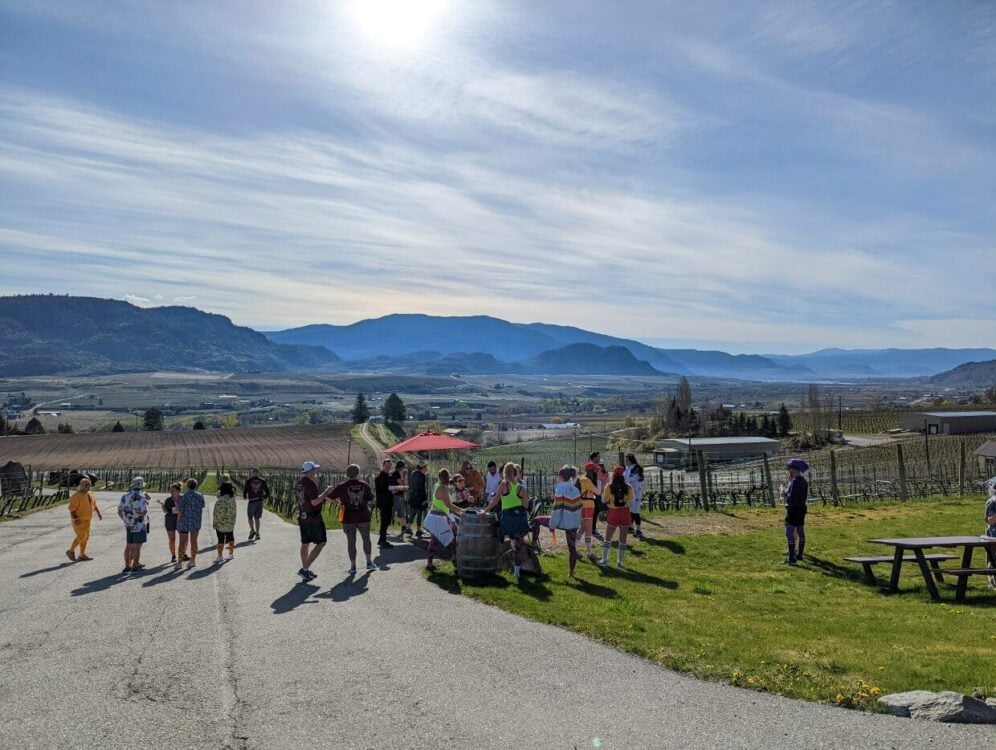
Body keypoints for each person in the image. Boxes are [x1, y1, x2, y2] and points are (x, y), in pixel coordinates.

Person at [483, 463, 531, 583]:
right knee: (519, 545)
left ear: (504, 473)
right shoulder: (522, 488)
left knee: (512, 541)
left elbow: (494, 501)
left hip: (507, 519)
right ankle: (517, 569)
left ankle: (510, 563)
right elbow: (526, 506)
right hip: (519, 518)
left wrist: (484, 511)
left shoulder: (503, 484)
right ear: (516, 473)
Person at [327, 464, 377, 575]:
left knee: (351, 542)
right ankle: (369, 562)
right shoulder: (364, 485)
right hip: (363, 517)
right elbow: (370, 498)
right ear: (358, 473)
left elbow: (329, 497)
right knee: (366, 539)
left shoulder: (342, 486)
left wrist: (339, 504)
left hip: (348, 518)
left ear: (347, 474)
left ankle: (353, 567)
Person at [296, 460, 332, 580]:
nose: (316, 471)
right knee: (321, 542)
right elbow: (314, 501)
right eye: (314, 469)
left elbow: (309, 498)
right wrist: (327, 491)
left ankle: (305, 570)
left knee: (305, 543)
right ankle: (305, 568)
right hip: (313, 517)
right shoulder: (310, 484)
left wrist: (328, 498)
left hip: (303, 516)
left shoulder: (299, 483)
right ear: (310, 471)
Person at [423, 468, 465, 571]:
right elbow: (448, 505)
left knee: (436, 539)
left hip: (436, 516)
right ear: (446, 477)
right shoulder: (442, 488)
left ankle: (431, 563)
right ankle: (453, 558)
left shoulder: (438, 485)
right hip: (438, 517)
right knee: (451, 537)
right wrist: (461, 510)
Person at [547, 466, 583, 578]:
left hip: (565, 522)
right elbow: (579, 507)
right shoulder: (575, 489)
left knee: (537, 521)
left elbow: (557, 510)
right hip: (574, 522)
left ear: (561, 476)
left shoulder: (560, 489)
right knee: (572, 548)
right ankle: (571, 572)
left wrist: (552, 525)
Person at [599, 467, 633, 569]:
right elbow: (631, 502)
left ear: (613, 475)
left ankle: (604, 560)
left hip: (613, 512)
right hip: (625, 512)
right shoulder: (628, 487)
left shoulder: (608, 487)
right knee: (623, 539)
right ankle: (620, 562)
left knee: (608, 538)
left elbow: (603, 501)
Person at [117, 476, 151, 573]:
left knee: (129, 545)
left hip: (128, 525)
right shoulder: (142, 498)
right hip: (139, 525)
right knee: (137, 546)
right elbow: (144, 512)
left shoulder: (124, 497)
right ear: (141, 487)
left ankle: (127, 565)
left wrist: (126, 522)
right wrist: (147, 501)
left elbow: (119, 511)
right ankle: (136, 564)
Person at [781, 458, 810, 566]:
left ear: (794, 469)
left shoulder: (794, 482)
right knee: (800, 531)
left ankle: (791, 557)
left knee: (789, 532)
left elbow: (791, 497)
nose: (788, 470)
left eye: (789, 468)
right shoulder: (803, 481)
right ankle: (799, 554)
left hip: (793, 510)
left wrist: (783, 493)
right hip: (801, 509)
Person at [67, 477, 102, 562]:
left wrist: (98, 513)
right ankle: (70, 551)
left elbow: (94, 505)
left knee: (86, 538)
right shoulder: (76, 496)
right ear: (81, 485)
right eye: (86, 485)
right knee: (82, 536)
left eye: (89, 485)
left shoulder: (90, 494)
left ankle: (82, 555)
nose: (88, 487)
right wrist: (76, 518)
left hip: (88, 520)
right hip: (78, 521)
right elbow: (72, 509)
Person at [176, 478, 206, 568]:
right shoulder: (200, 496)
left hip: (184, 522)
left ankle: (179, 562)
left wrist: (178, 521)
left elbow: (180, 511)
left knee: (182, 543)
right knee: (194, 542)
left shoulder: (184, 496)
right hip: (196, 522)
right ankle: (193, 560)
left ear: (187, 486)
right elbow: (202, 505)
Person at [213, 473, 238, 563]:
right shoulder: (233, 499)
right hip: (231, 522)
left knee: (220, 540)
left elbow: (217, 514)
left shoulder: (220, 501)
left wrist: (215, 523)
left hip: (221, 524)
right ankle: (231, 554)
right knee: (231, 538)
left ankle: (220, 556)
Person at [578, 463, 600, 561]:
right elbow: (598, 492)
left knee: (582, 529)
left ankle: (574, 549)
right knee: (588, 530)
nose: (597, 472)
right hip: (588, 507)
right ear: (591, 471)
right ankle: (590, 553)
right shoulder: (587, 481)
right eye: (595, 471)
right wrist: (599, 480)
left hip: (584, 506)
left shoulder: (583, 478)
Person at [242, 467, 270, 541]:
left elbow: (245, 491)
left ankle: (252, 530)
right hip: (259, 502)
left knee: (250, 517)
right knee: (257, 518)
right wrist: (263, 497)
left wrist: (245, 496)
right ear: (258, 472)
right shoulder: (263, 481)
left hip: (252, 501)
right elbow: (267, 492)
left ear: (252, 473)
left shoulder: (248, 481)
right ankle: (257, 533)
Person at [156, 482, 181, 562]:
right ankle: (173, 555)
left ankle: (183, 553)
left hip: (181, 521)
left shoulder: (183, 499)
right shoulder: (168, 500)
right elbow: (165, 511)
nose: (171, 492)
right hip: (170, 521)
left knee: (183, 538)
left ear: (178, 491)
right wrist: (162, 505)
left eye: (173, 490)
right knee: (172, 539)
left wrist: (176, 510)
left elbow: (184, 510)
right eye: (171, 491)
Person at [374, 459, 395, 548]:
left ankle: (382, 539)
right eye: (387, 466)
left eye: (389, 466)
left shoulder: (387, 476)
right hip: (384, 502)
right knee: (384, 521)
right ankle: (382, 540)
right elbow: (381, 490)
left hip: (387, 502)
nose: (388, 467)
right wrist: (391, 490)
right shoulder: (380, 477)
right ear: (383, 466)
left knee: (386, 521)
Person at [624, 454, 645, 538]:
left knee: (635, 512)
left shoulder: (636, 469)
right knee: (630, 511)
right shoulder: (626, 469)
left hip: (635, 494)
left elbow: (639, 482)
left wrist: (635, 493)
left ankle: (639, 530)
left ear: (631, 460)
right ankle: (630, 527)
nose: (626, 462)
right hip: (628, 494)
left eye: (627, 460)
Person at [407, 462, 429, 539]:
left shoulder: (414, 474)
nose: (427, 468)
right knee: (419, 513)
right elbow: (421, 489)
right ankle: (418, 530)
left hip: (413, 496)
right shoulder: (422, 476)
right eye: (426, 467)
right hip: (419, 497)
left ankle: (408, 527)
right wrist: (424, 499)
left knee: (413, 512)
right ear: (422, 468)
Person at [391, 460, 410, 536]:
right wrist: (404, 476)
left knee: (398, 512)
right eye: (403, 468)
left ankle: (403, 527)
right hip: (397, 496)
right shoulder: (397, 474)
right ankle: (403, 527)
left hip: (396, 495)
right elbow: (403, 485)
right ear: (401, 467)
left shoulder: (394, 473)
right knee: (399, 512)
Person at [984, 486, 996, 589]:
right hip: (993, 536)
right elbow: (990, 520)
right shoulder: (992, 502)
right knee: (993, 559)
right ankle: (993, 583)